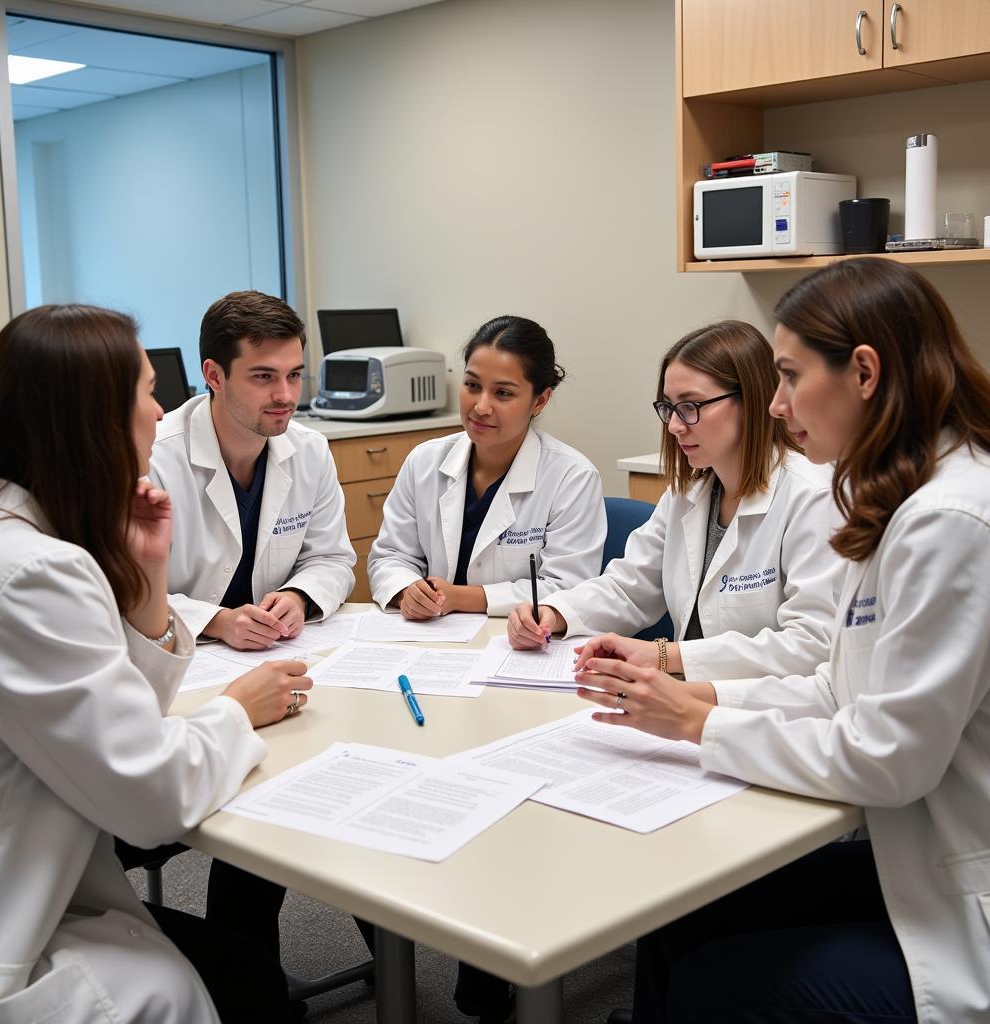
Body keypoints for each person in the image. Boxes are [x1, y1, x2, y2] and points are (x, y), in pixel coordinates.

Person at [577, 258, 990, 1024]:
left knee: (717, 984)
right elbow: (839, 683)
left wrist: (700, 721)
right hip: (917, 849)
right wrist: (691, 699)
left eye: (792, 376)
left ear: (863, 371)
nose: (778, 402)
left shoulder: (949, 519)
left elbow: (888, 756)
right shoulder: (906, 496)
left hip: (962, 891)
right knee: (677, 916)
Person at [0, 304, 312, 1024]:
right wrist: (236, 708)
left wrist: (148, 578)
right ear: (90, 419)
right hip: (3, 923)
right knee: (249, 986)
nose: (160, 411)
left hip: (31, 871)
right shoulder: (32, 571)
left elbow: (119, 718)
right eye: (147, 392)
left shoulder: (0, 533)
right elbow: (150, 800)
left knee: (245, 974)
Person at [148, 290, 357, 957]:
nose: (285, 395)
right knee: (257, 805)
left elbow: (333, 557)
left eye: (296, 375)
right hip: (189, 682)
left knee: (339, 779)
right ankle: (251, 984)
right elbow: (123, 587)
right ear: (214, 375)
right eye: (263, 376)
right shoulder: (157, 453)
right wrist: (214, 620)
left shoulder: (308, 450)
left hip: (285, 668)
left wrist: (299, 595)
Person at [508, 319, 844, 685]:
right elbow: (630, 587)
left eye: (691, 406)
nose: (674, 426)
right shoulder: (689, 494)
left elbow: (812, 643)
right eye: (669, 408)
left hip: (769, 714)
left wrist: (666, 655)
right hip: (687, 701)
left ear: (751, 400)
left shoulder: (811, 496)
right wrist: (554, 613)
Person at [368, 314, 606, 622]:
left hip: (517, 643)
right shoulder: (424, 461)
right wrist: (407, 590)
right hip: (433, 634)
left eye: (503, 393)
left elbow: (569, 588)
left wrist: (460, 598)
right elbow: (389, 557)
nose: (481, 406)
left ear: (540, 400)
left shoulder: (572, 477)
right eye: (472, 385)